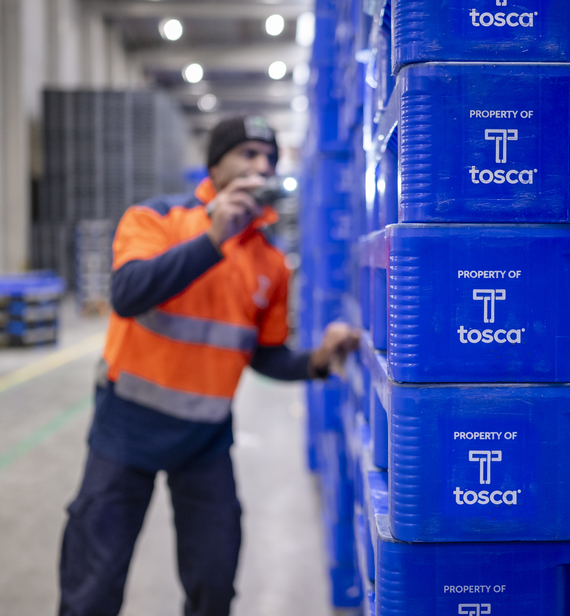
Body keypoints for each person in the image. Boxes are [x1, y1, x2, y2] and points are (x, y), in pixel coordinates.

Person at [58, 116, 359, 616]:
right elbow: (128, 295)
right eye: (247, 154)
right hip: (125, 427)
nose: (260, 166)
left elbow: (264, 355)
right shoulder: (156, 218)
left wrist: (319, 361)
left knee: (215, 581)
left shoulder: (269, 263)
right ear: (215, 164)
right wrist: (211, 241)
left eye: (268, 158)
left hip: (205, 439)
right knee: (94, 582)